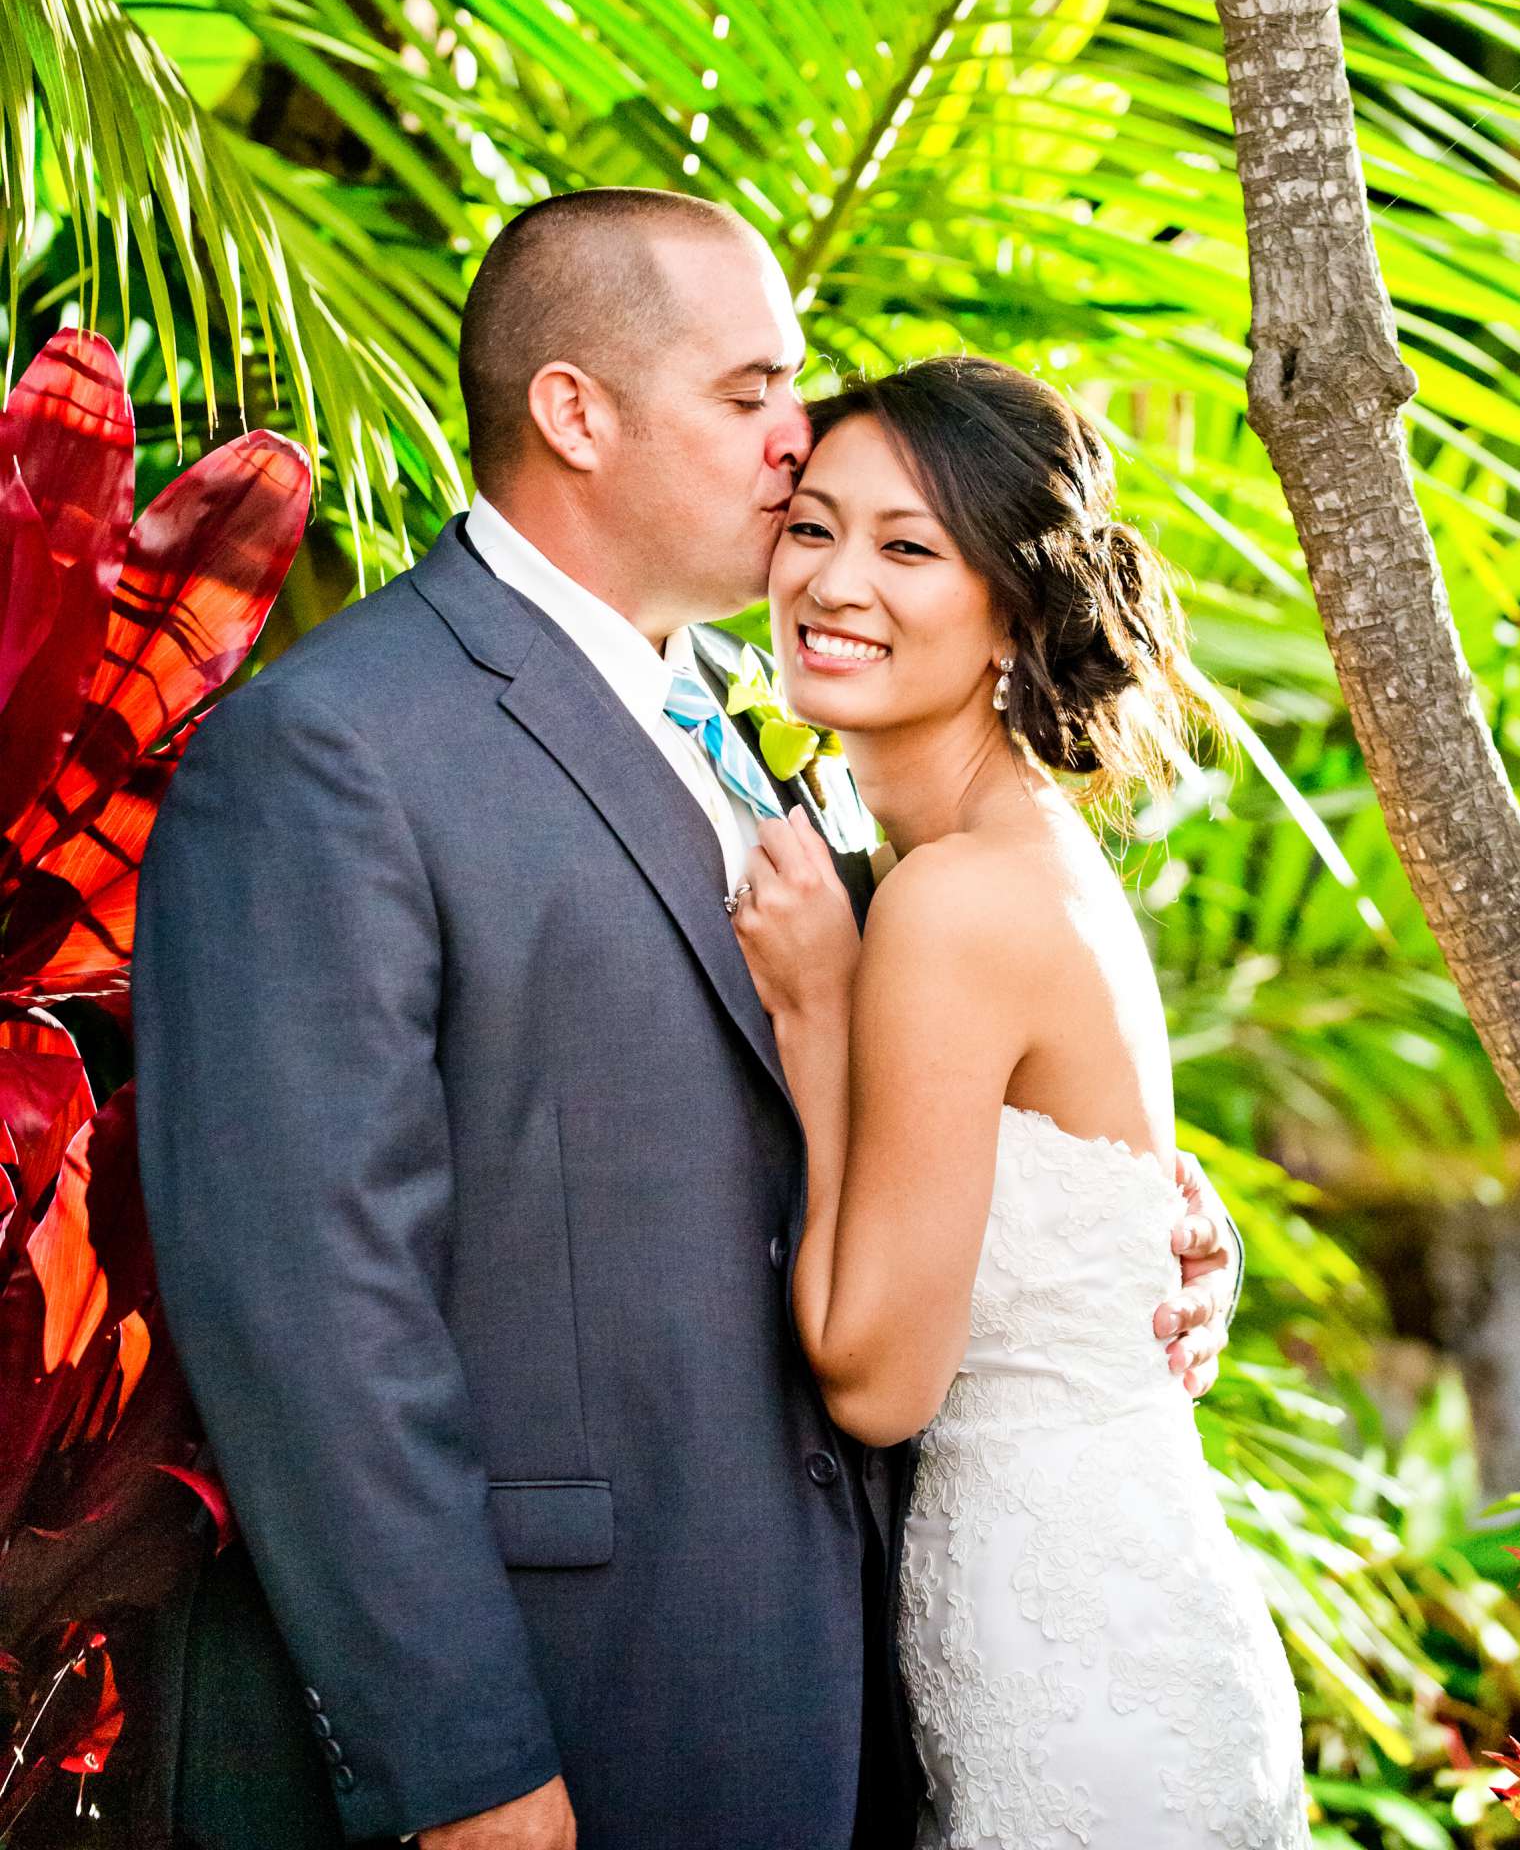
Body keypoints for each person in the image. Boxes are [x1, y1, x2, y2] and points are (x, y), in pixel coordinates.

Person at [133, 191, 1240, 1850]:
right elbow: (310, 1306)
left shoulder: (748, 727)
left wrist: (1123, 1218)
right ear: (577, 412)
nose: (797, 447)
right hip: (568, 1702)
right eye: (752, 396)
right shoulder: (338, 753)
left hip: (844, 1685)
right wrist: (466, 1768)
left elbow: (916, 1106)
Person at [732, 355, 1307, 1849]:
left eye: (909, 547)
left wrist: (815, 1013)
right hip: (1096, 1598)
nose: (837, 579)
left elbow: (876, 1378)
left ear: (1013, 609)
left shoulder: (952, 906)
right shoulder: (999, 855)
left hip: (1072, 1658)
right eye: (813, 526)